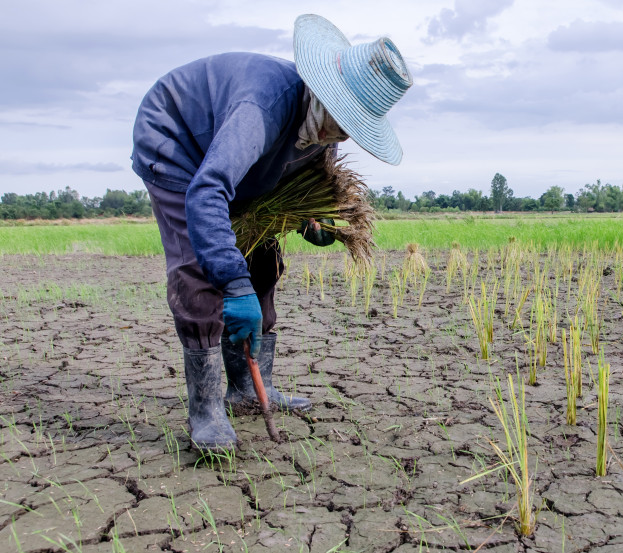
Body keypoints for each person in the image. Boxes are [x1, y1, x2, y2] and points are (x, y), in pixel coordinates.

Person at [131, 14, 412, 452]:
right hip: (177, 143)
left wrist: (310, 224)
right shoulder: (262, 107)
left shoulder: (326, 132)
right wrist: (232, 283)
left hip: (231, 166)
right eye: (337, 116)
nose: (336, 133)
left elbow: (281, 183)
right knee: (200, 269)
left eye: (349, 126)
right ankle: (205, 410)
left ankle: (247, 388)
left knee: (263, 262)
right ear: (321, 90)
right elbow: (207, 191)